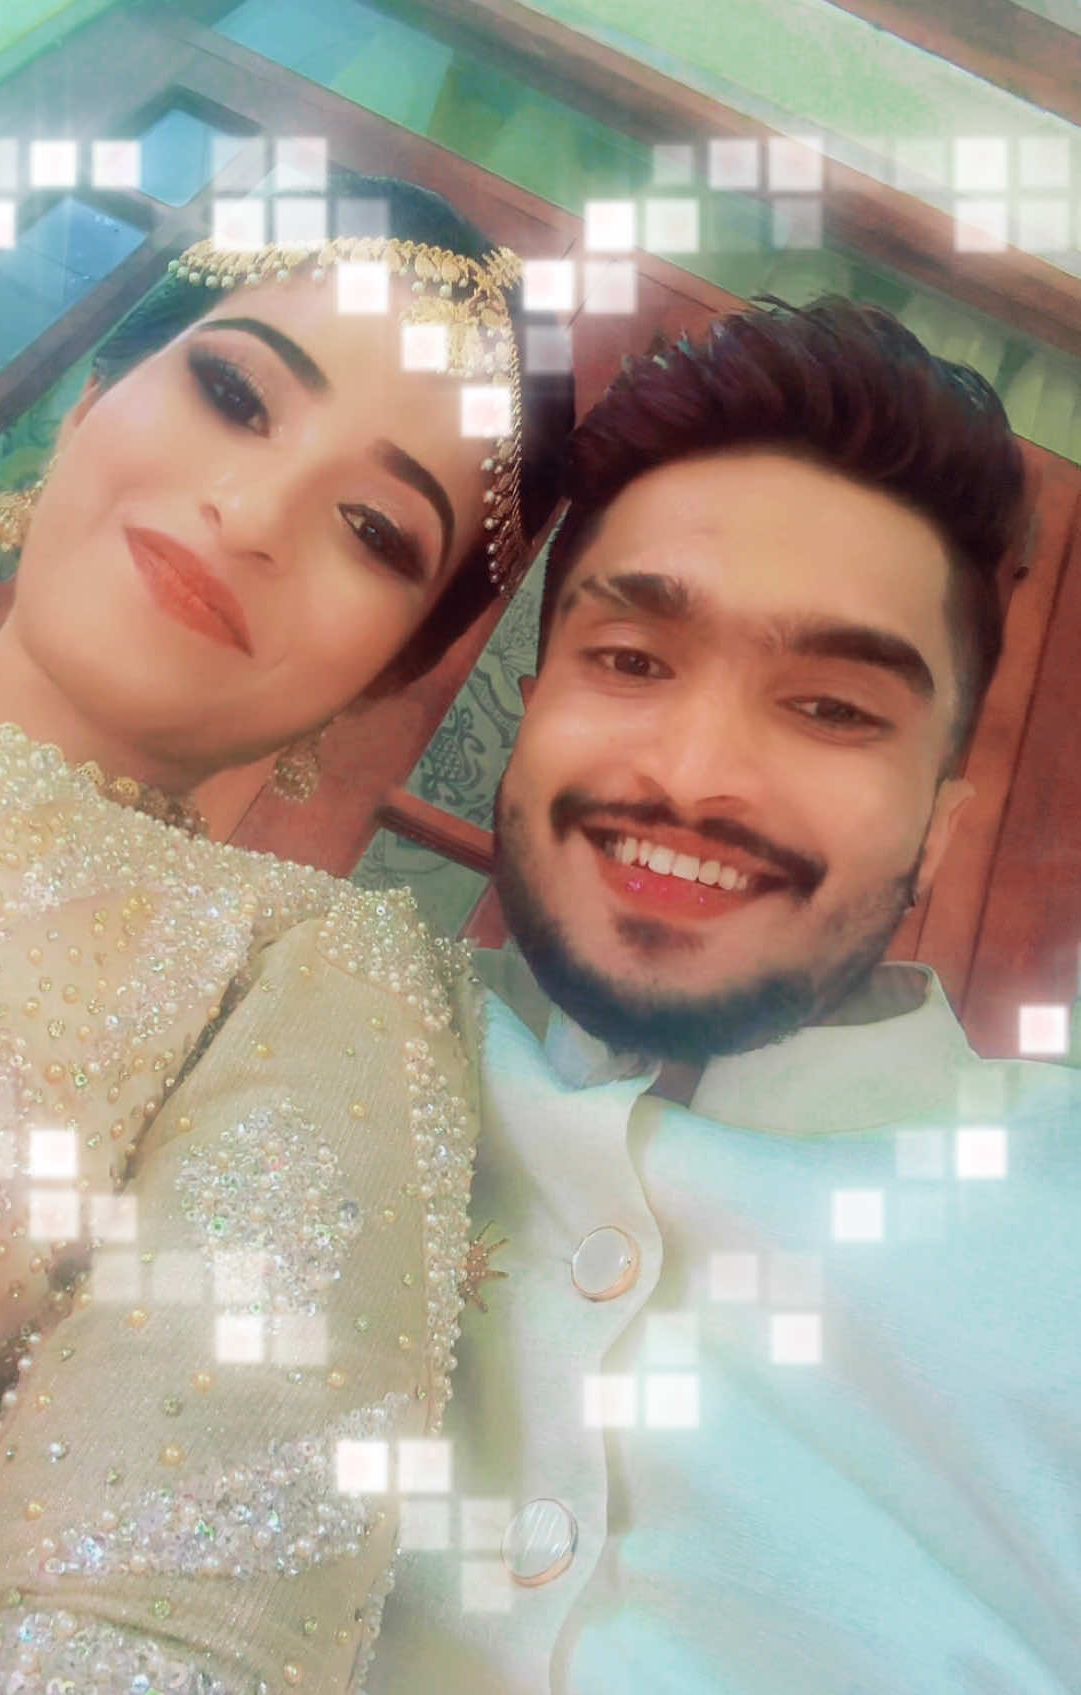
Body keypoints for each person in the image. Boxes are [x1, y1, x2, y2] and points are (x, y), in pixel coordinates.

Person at [0, 175, 570, 1689]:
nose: (254, 517)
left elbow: (153, 1635)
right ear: (88, 396)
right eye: (233, 395)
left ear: (379, 672)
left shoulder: (309, 978)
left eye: (372, 529)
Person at [369, 300, 1081, 1693]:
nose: (694, 777)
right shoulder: (317, 1025)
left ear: (938, 825)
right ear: (530, 712)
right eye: (631, 662)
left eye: (833, 709)